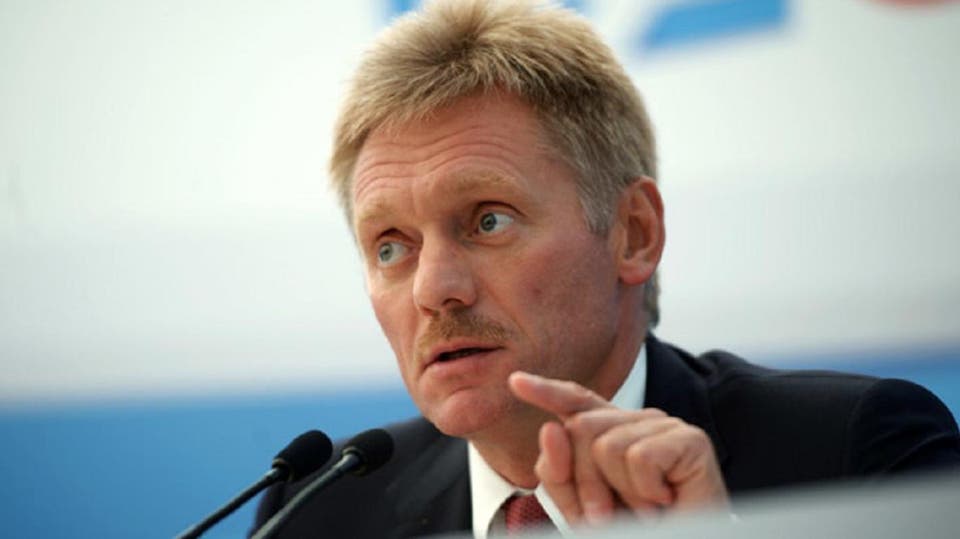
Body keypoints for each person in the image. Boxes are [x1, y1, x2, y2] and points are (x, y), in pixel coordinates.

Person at [253, 1, 960, 537]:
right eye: (390, 246)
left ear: (633, 234)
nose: (435, 288)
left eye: (488, 220)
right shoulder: (318, 510)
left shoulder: (858, 458)